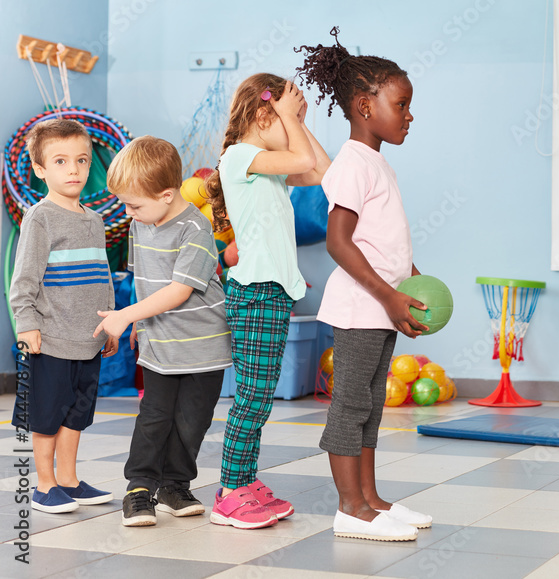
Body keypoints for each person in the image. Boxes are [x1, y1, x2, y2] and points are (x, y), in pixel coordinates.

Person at [296, 28, 432, 542]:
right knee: (350, 406)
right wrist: (388, 294)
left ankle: (371, 499)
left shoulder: (378, 163)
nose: (410, 115)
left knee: (372, 406)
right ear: (364, 106)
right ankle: (350, 507)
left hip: (379, 308)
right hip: (359, 309)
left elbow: (383, 239)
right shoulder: (354, 163)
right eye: (402, 104)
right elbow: (339, 242)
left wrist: (410, 282)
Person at [203, 73, 331, 529]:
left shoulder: (264, 164)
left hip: (272, 292)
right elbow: (302, 158)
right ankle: (230, 491)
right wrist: (288, 114)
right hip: (254, 291)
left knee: (260, 398)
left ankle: (245, 481)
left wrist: (292, 117)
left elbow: (319, 170)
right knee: (253, 398)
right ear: (263, 115)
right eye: (286, 119)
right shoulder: (241, 157)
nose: (294, 126)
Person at [96, 136, 232, 527]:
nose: (129, 212)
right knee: (154, 416)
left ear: (168, 194)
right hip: (160, 343)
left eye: (134, 205)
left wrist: (124, 315)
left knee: (193, 420)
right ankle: (139, 488)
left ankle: (175, 485)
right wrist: (139, 321)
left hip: (203, 346)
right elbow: (144, 277)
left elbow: (179, 290)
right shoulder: (143, 222)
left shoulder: (196, 228)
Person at [10, 118, 116, 513]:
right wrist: (28, 324)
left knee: (77, 414)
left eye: (81, 160)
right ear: (40, 169)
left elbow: (102, 275)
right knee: (47, 414)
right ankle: (43, 485)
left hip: (88, 338)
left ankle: (69, 480)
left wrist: (110, 321)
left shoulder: (95, 219)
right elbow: (24, 280)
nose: (73, 169)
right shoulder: (41, 217)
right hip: (51, 339)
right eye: (60, 161)